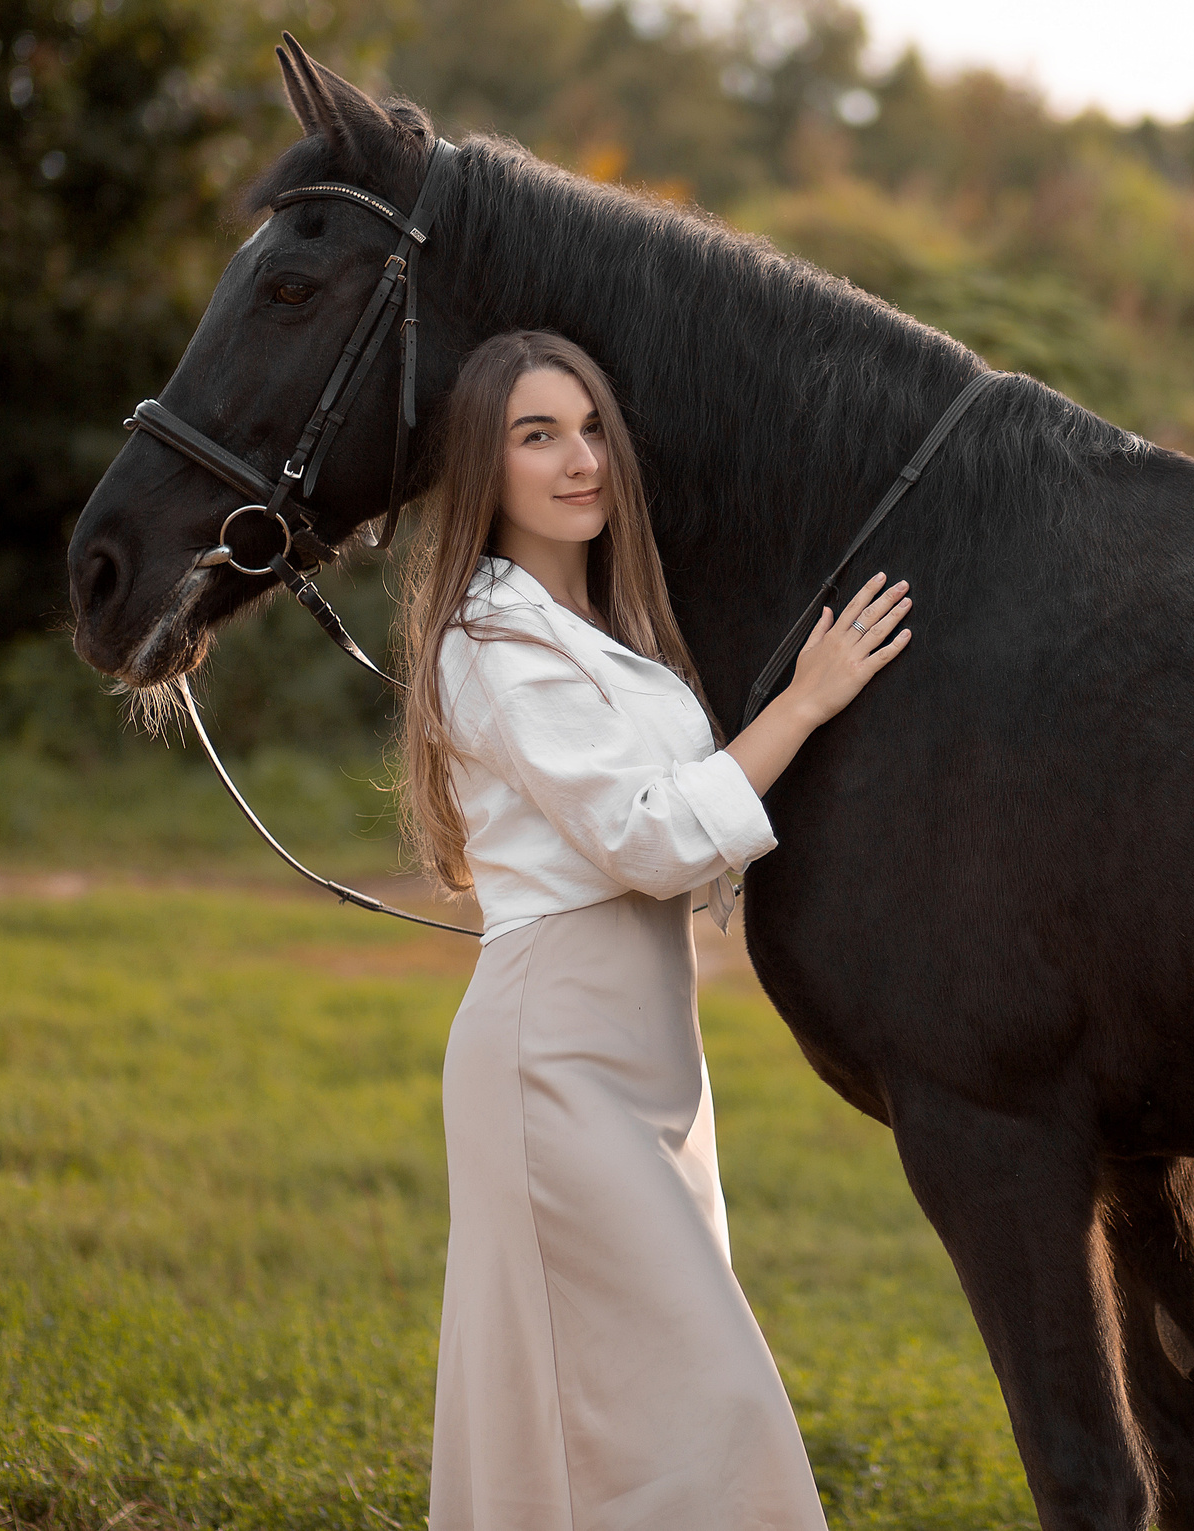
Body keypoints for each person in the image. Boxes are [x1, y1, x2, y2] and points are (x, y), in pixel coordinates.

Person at [396, 327, 912, 1530]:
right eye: (537, 436)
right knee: (705, 1402)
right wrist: (805, 703)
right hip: (554, 1056)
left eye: (591, 430)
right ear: (484, 466)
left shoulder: (609, 624)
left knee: (626, 1406)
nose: (580, 461)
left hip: (647, 1052)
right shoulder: (488, 643)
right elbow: (650, 839)